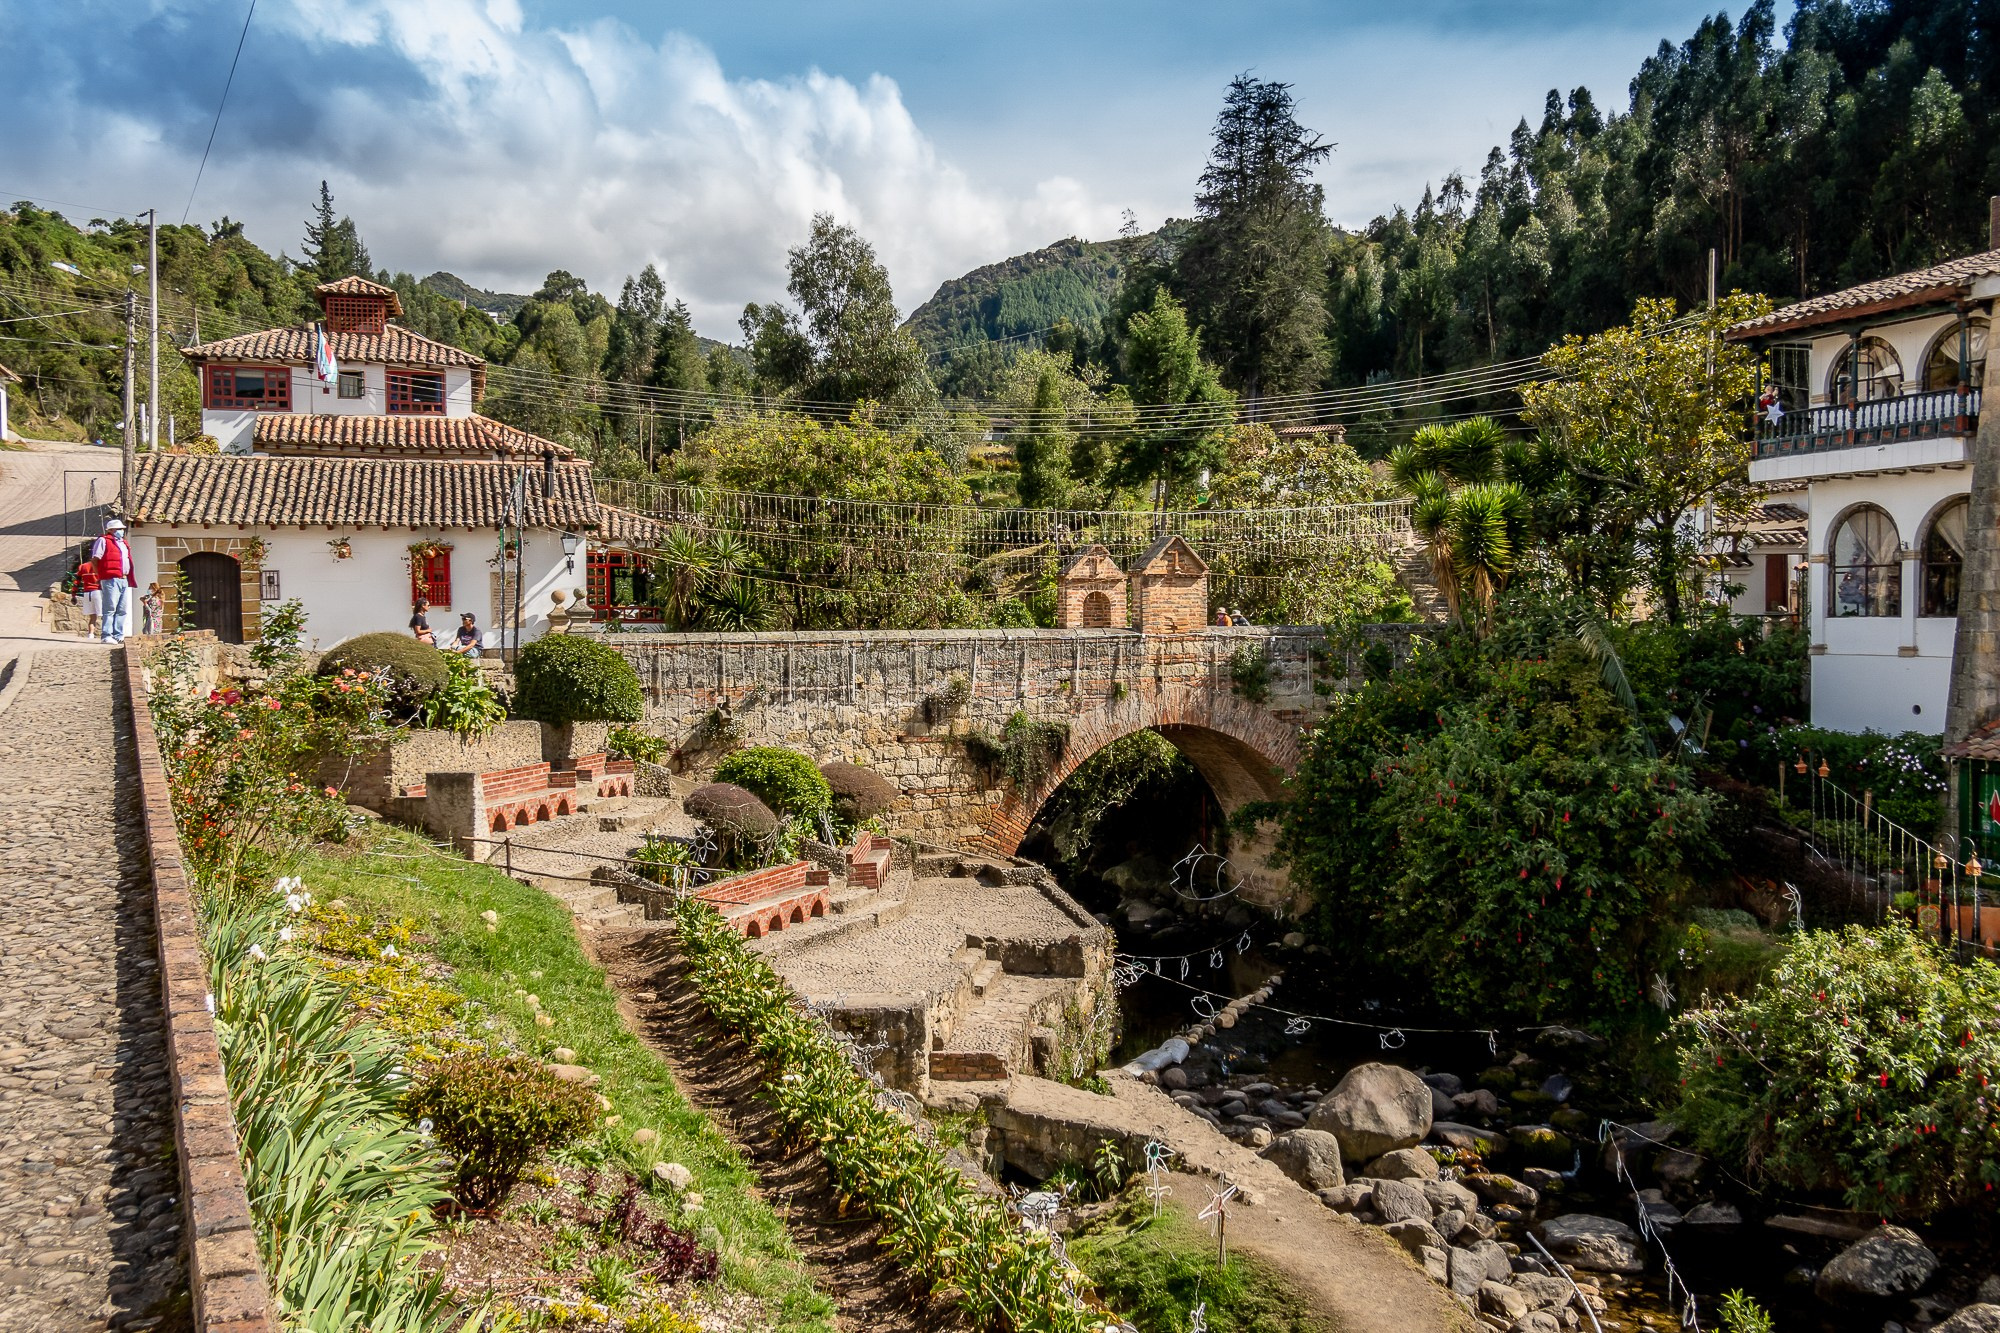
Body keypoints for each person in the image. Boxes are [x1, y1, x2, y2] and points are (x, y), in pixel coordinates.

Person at [92, 518, 134, 646]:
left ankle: (118, 635)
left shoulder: (123, 543)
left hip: (124, 578)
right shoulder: (103, 541)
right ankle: (106, 635)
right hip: (110, 578)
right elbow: (95, 559)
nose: (121, 531)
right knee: (110, 608)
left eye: (122, 529)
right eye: (119, 529)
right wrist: (99, 575)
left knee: (122, 609)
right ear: (110, 530)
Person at [74, 552, 101, 640]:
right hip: (98, 592)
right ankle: (106, 634)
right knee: (105, 614)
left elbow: (76, 581)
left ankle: (91, 635)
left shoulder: (82, 566)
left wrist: (73, 594)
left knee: (92, 616)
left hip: (87, 593)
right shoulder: (99, 565)